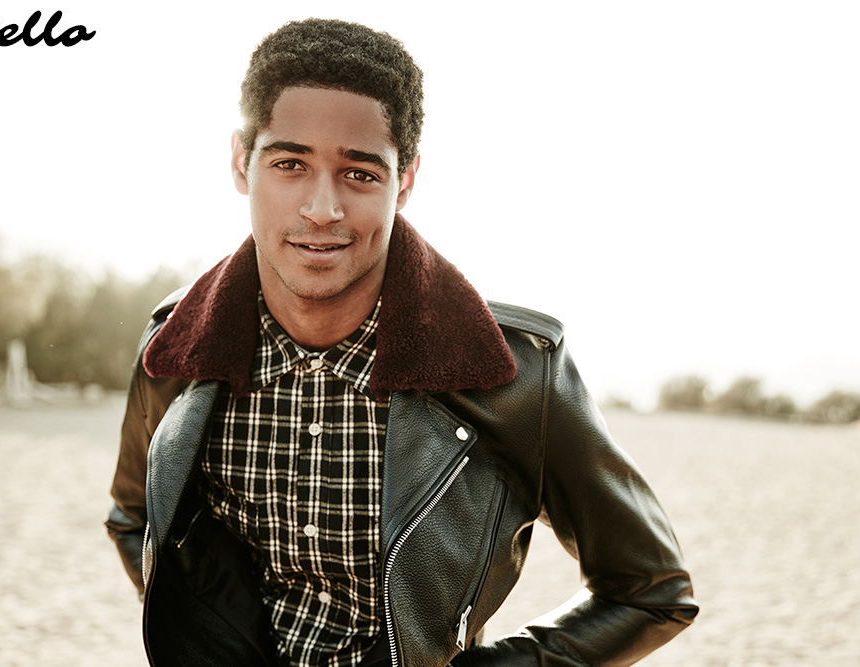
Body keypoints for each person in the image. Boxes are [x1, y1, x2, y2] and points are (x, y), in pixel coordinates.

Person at [105, 17, 697, 667]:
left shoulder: (518, 373)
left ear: (405, 180)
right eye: (290, 164)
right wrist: (203, 641)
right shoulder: (174, 345)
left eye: (360, 174)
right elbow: (135, 518)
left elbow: (650, 591)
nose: (322, 208)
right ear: (242, 162)